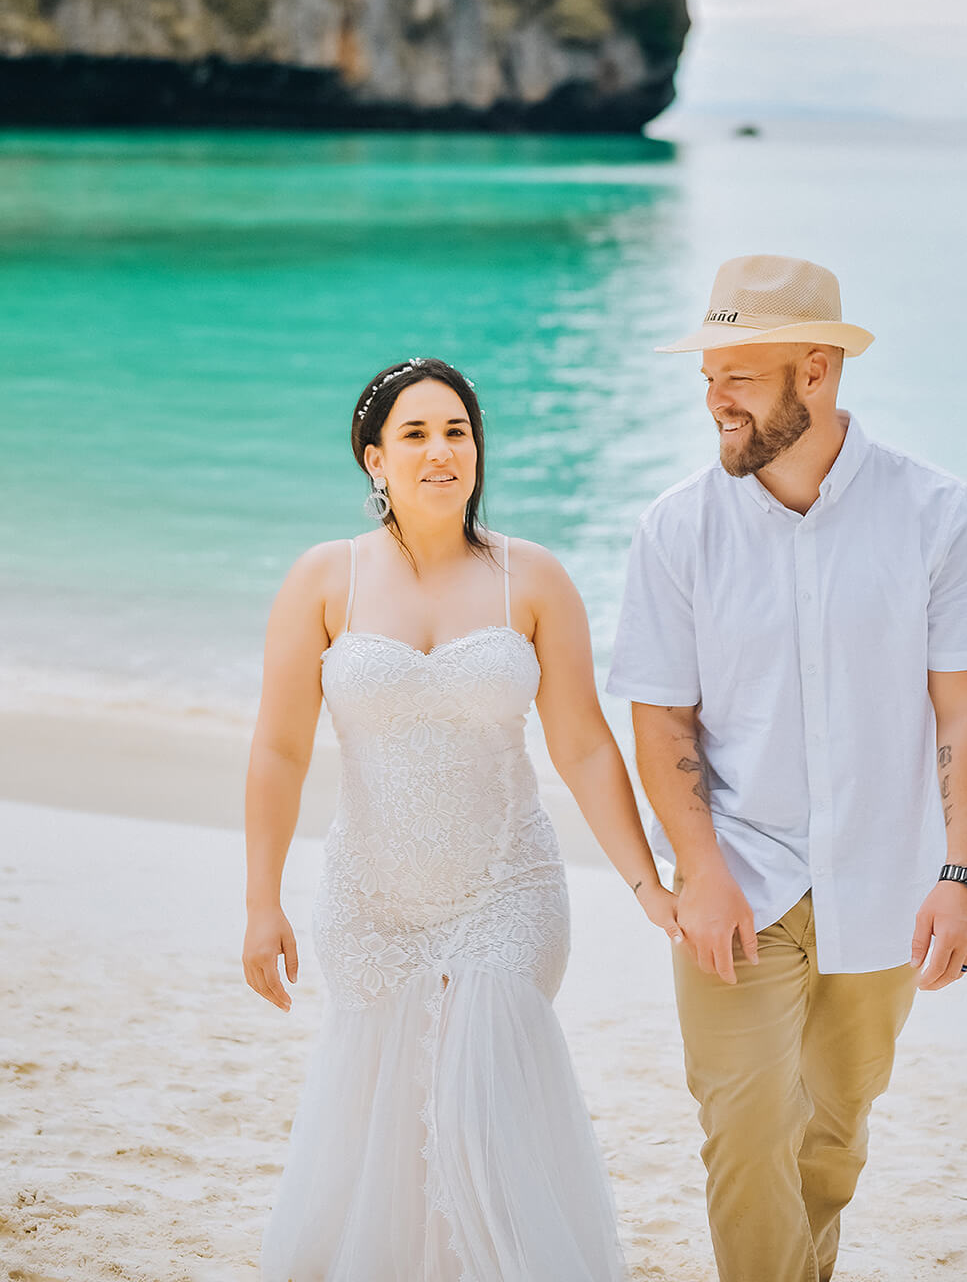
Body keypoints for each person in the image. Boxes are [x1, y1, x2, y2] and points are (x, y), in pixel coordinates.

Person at [607, 254, 967, 1282]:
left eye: (736, 375)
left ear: (816, 370)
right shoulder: (674, 529)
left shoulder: (935, 511)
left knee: (829, 1137)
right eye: (705, 378)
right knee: (741, 1130)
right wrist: (698, 868)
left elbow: (965, 702)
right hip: (738, 876)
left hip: (882, 880)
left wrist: (962, 874)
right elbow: (662, 720)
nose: (713, 401)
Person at [245, 355, 679, 1282]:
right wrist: (261, 902)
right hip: (372, 899)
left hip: (507, 892)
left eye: (458, 432)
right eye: (416, 434)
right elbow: (278, 750)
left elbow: (587, 747)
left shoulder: (535, 578)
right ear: (374, 460)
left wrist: (648, 882)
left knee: (483, 1109)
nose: (441, 451)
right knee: (388, 1131)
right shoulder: (326, 580)